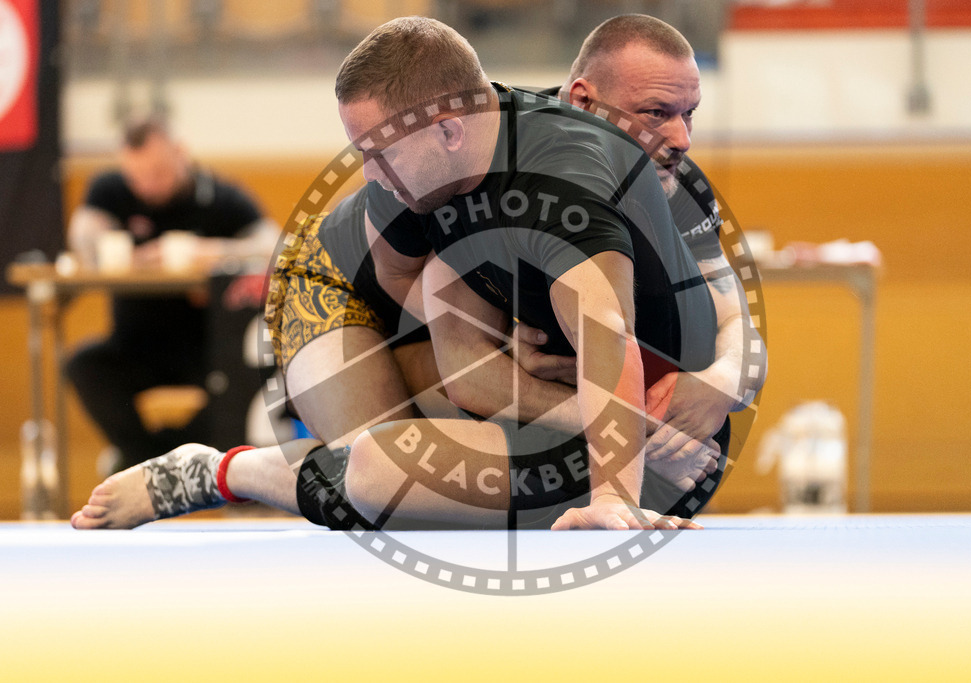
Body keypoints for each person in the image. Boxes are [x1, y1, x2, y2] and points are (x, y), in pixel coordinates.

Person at [70, 15, 765, 531]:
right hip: (338, 288)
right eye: (654, 113)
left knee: (468, 488)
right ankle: (217, 470)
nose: (366, 174)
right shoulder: (416, 183)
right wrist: (622, 447)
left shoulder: (587, 178)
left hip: (484, 322)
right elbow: (456, 349)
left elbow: (629, 325)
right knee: (379, 482)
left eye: (375, 151)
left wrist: (681, 413)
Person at [64, 116, 280, 472]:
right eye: (137, 177)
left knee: (250, 378)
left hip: (204, 348)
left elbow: (272, 245)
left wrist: (206, 252)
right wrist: (111, 250)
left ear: (180, 153)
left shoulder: (221, 197)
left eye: (158, 173)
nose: (147, 186)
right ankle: (145, 456)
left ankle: (163, 456)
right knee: (84, 365)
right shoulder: (110, 190)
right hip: (135, 346)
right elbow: (83, 236)